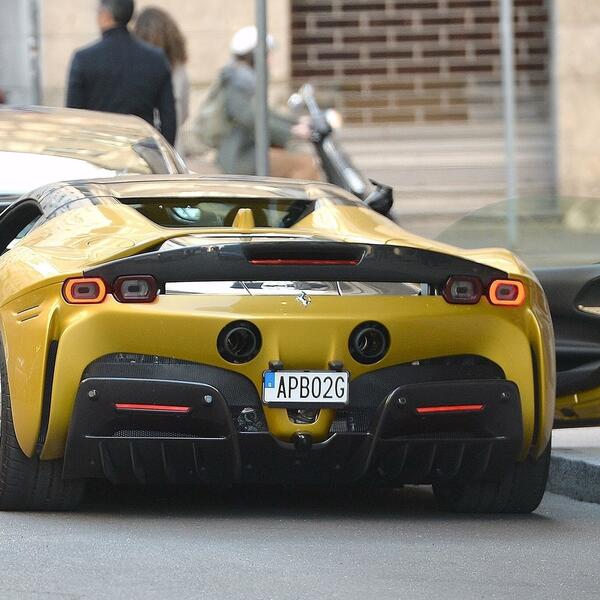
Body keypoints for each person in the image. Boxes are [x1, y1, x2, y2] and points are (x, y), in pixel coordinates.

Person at [208, 25, 319, 179]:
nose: (270, 61)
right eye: (267, 55)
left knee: (298, 159)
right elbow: (250, 117)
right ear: (254, 56)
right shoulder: (237, 83)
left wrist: (296, 121)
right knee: (305, 164)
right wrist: (291, 131)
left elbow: (265, 113)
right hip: (240, 156)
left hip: (250, 151)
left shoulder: (246, 81)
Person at [66, 0, 176, 146]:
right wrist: (161, 152)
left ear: (105, 15)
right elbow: (169, 119)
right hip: (141, 150)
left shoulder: (84, 59)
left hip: (98, 148)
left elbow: (74, 118)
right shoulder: (156, 58)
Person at [133, 6, 189, 154]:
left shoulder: (136, 68)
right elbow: (183, 114)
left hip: (141, 149)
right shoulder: (180, 70)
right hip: (173, 151)